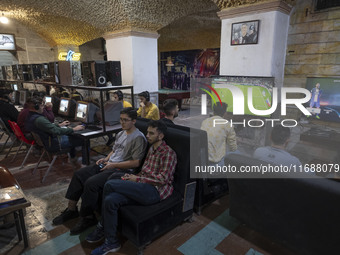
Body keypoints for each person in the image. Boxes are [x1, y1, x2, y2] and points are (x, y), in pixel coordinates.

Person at [86, 120, 177, 255]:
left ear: (161, 136)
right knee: (111, 199)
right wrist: (133, 180)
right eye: (147, 132)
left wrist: (137, 179)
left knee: (110, 184)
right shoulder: (151, 148)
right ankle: (111, 242)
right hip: (142, 185)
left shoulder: (168, 153)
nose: (147, 135)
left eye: (151, 133)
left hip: (155, 192)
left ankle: (102, 226)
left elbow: (163, 179)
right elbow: (145, 170)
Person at [52, 107, 147, 235]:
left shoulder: (138, 138)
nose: (122, 122)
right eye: (121, 119)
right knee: (79, 174)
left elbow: (136, 162)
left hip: (121, 169)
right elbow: (115, 150)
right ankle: (72, 209)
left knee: (91, 183)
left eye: (126, 120)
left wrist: (113, 165)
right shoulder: (121, 133)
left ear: (134, 121)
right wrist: (105, 159)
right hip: (110, 164)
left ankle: (88, 217)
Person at [24, 96, 86, 164]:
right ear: (36, 107)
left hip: (47, 142)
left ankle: (73, 158)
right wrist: (73, 129)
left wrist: (59, 125)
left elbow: (48, 127)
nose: (43, 107)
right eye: (42, 105)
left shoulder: (30, 116)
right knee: (84, 140)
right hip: (54, 144)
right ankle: (85, 163)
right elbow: (56, 131)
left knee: (71, 135)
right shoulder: (39, 119)